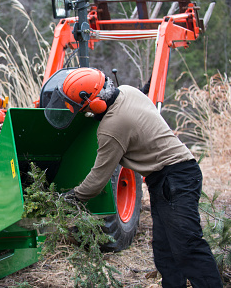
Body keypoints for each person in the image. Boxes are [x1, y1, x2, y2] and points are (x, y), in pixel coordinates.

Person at [44, 67, 223, 288]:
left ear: (97, 102)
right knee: (164, 248)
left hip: (175, 179)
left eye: (82, 108)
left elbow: (97, 181)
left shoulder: (113, 127)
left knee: (187, 246)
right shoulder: (128, 91)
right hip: (170, 177)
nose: (81, 112)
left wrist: (69, 198)